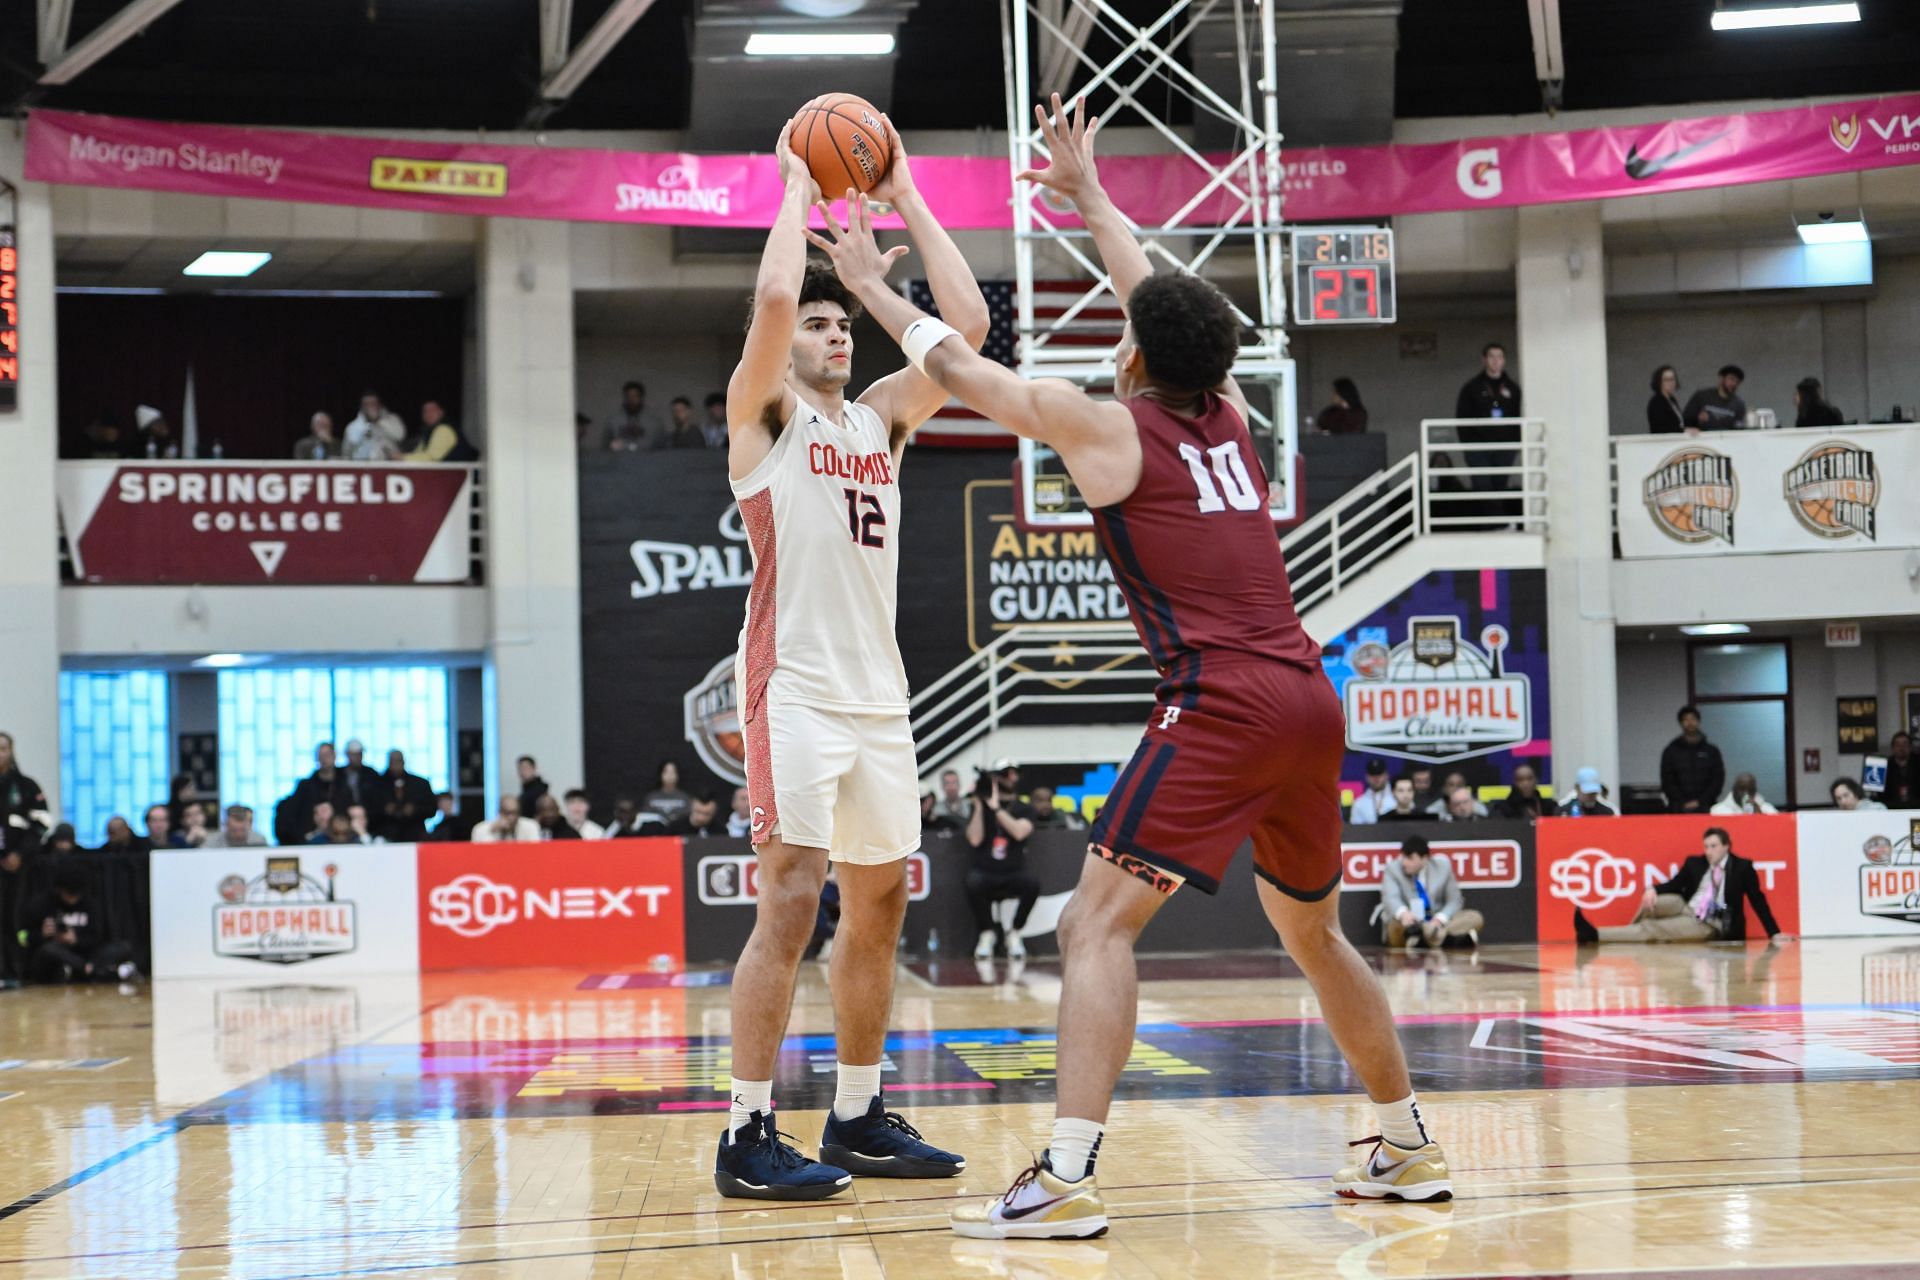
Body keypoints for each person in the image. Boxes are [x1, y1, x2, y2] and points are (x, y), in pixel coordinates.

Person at [808, 93, 1451, 1235]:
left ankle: (1063, 1174)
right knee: (1312, 928)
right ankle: (1404, 1142)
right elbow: (1159, 296)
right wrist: (1093, 197)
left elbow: (964, 371)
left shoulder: (1108, 424)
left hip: (1223, 702)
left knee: (1090, 929)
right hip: (1310, 697)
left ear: (1139, 352)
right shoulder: (1233, 416)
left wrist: (867, 282)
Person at [713, 108, 989, 1203]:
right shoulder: (762, 418)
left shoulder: (880, 418)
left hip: (882, 696)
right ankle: (744, 1131)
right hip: (797, 687)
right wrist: (794, 185)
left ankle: (860, 1112)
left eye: (844, 327)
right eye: (821, 326)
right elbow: (775, 302)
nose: (835, 335)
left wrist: (908, 192)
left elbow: (965, 329)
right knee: (791, 900)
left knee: (881, 906)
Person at [1574, 827, 1785, 944]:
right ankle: (1632, 932)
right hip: (1686, 906)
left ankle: (1596, 935)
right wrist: (1652, 890)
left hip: (1710, 921)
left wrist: (1773, 932)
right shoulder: (1696, 862)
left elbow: (1758, 899)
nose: (1709, 851)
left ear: (1726, 847)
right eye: (1706, 846)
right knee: (1653, 903)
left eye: (1714, 846)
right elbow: (1675, 884)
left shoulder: (1742, 867)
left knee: (1652, 928)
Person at [965, 762, 1040, 960]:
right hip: (986, 870)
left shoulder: (1024, 808)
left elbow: (1019, 832)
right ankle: (987, 932)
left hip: (1013, 871)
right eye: (1006, 773)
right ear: (996, 779)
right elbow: (974, 839)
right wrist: (980, 806)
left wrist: (997, 809)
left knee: (1032, 884)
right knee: (972, 881)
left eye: (1014, 773)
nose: (1011, 777)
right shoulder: (983, 806)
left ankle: (1014, 931)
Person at [26, 859, 138, 984]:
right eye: (68, 894)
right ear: (60, 890)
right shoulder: (43, 904)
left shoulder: (90, 905)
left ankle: (84, 970)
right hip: (58, 953)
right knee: (47, 950)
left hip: (86, 953)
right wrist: (42, 934)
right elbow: (27, 938)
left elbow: (97, 936)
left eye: (76, 894)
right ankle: (97, 972)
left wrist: (77, 940)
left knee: (123, 947)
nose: (72, 899)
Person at [1380, 836, 1482, 949]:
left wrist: (1439, 919)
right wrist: (1403, 914)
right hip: (1409, 923)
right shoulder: (1393, 869)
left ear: (1425, 858)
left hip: (1435, 923)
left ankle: (1422, 941)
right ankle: (1445, 940)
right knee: (1395, 927)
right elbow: (1390, 898)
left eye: (1409, 858)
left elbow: (1454, 901)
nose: (1404, 862)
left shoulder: (1443, 867)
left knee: (1475, 917)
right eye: (1403, 856)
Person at [1454, 341, 1521, 494]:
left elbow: (1517, 415)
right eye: (1492, 356)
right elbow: (1461, 417)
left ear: (1504, 360)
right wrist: (1469, 445)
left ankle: (1498, 517)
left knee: (1499, 487)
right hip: (1478, 448)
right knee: (1482, 487)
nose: (1496, 361)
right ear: (1484, 360)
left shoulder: (1513, 388)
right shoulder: (1471, 388)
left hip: (1504, 447)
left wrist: (1514, 445)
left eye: (1499, 357)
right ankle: (1497, 517)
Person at [1661, 705, 1726, 814]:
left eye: (1693, 719)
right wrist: (1682, 801)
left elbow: (1717, 779)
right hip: (1678, 808)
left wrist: (1701, 801)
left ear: (1698, 721)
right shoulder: (1671, 751)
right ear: (1681, 723)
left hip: (1707, 806)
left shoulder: (1711, 751)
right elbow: (1667, 781)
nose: (1690, 723)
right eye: (1686, 720)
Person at [1, 731, 52, 854]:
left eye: (3, 749)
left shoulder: (27, 786)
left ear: (11, 752)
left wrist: (21, 853)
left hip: (20, 862)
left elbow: (42, 821)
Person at [377, 750, 435, 843]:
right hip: (387, 836)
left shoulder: (420, 784)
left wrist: (415, 810)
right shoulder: (377, 784)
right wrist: (385, 810)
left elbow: (432, 809)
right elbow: (370, 809)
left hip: (415, 835)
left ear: (403, 762)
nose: (395, 765)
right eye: (392, 761)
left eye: (398, 761)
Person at [404, 400, 480, 462]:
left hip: (456, 476)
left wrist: (403, 458)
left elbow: (432, 458)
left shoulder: (444, 429)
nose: (428, 413)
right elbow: (418, 453)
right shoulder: (427, 432)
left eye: (432, 410)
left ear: (441, 412)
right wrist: (402, 456)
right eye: (425, 411)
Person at [343, 391, 406, 460]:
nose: (370, 407)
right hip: (362, 466)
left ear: (379, 405)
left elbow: (400, 436)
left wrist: (378, 422)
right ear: (361, 406)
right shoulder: (352, 427)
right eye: (367, 404)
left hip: (389, 465)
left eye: (373, 404)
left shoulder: (393, 420)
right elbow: (346, 453)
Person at [1681, 365, 1746, 431]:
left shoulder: (1739, 404)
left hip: (1726, 439)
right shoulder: (1702, 396)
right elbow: (1685, 419)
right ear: (1721, 378)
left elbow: (1738, 429)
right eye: (1732, 379)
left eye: (1737, 382)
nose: (1734, 384)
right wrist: (1697, 419)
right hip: (1702, 439)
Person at [607, 381, 662, 451]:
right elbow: (607, 446)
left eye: (635, 396)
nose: (631, 400)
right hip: (620, 460)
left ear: (641, 398)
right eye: (628, 396)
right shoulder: (613, 421)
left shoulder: (653, 422)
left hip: (647, 460)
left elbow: (651, 444)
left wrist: (626, 446)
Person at [470, 796, 539, 842]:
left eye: (515, 813)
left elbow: (535, 852)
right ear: (500, 812)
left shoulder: (531, 826)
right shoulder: (480, 829)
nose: (512, 817)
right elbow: (479, 855)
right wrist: (494, 832)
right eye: (508, 813)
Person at [337, 739, 380, 811]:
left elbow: (377, 799)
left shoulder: (371, 774)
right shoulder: (338, 774)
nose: (357, 758)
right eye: (354, 755)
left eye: (359, 754)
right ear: (347, 755)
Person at [1348, 759, 1394, 825]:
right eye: (1372, 774)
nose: (1376, 778)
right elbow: (1356, 831)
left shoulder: (1398, 796)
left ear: (1386, 775)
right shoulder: (1359, 803)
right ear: (1367, 777)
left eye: (1379, 774)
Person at [202, 805, 267, 848]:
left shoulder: (259, 841)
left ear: (249, 825)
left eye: (242, 830)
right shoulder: (213, 841)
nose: (238, 834)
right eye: (234, 830)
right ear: (226, 826)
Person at [1712, 773, 1778, 815]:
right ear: (1734, 789)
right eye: (1742, 789)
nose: (1746, 794)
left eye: (1750, 790)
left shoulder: (1768, 810)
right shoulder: (1718, 811)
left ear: (1755, 791)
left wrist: (1760, 815)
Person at [1647, 366, 1687, 434]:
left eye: (1672, 379)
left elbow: (1679, 423)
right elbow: (1661, 428)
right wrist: (1684, 430)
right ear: (1659, 382)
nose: (1671, 382)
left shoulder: (1672, 400)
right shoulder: (1656, 402)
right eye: (1666, 380)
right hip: (1664, 442)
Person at [1886, 733, 1919, 809]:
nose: (1901, 748)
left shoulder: (1917, 762)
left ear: (1910, 747)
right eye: (1897, 744)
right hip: (1891, 809)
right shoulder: (1885, 765)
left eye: (1905, 744)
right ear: (1893, 748)